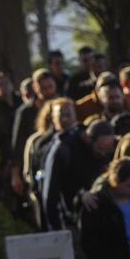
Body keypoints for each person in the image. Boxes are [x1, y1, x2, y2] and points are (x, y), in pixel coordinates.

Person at [38, 99, 89, 231]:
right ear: (53, 118)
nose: (65, 118)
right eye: (61, 114)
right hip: (68, 216)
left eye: (69, 114)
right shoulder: (55, 146)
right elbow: (50, 192)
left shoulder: (87, 138)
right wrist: (54, 226)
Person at [11, 69, 57, 198]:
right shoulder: (25, 112)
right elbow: (18, 143)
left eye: (50, 87)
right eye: (43, 88)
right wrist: (15, 175)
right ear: (35, 88)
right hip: (35, 163)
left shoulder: (62, 106)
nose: (48, 91)